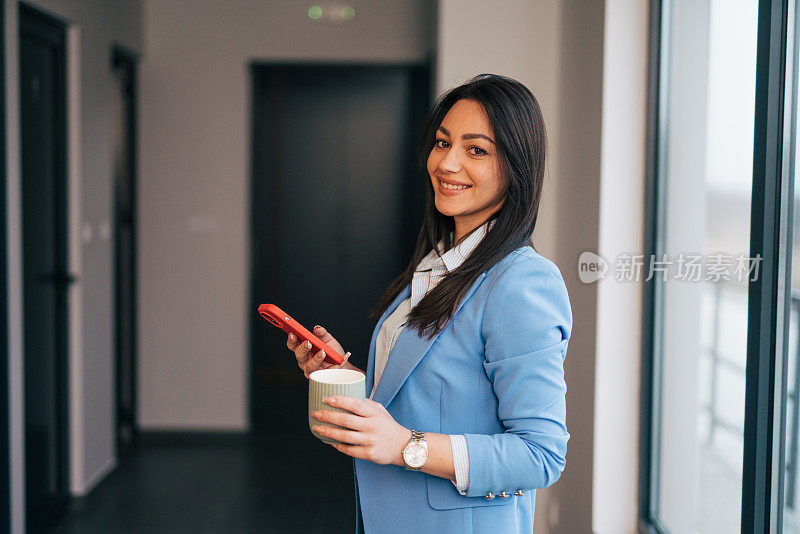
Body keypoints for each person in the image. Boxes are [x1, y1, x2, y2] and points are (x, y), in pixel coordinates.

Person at [286, 73, 572, 533]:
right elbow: (431, 394)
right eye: (442, 143)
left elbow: (540, 455)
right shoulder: (440, 264)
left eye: (476, 149)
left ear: (516, 166)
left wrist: (403, 445)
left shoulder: (522, 282)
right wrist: (343, 375)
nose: (447, 163)